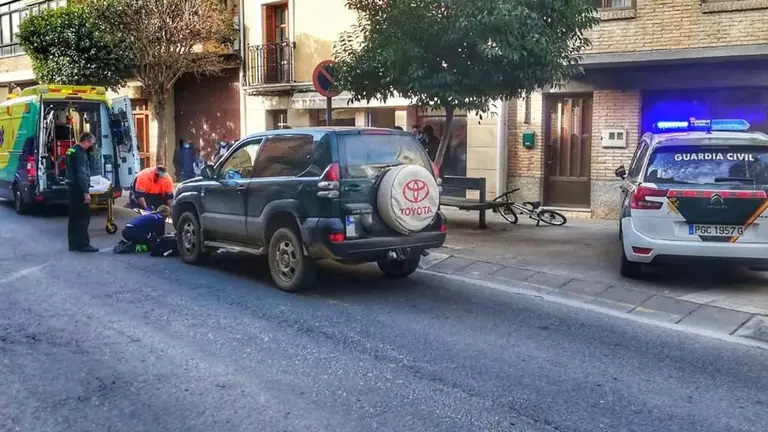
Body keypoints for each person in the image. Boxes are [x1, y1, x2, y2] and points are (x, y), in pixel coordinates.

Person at [65, 132, 98, 252]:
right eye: (91, 143)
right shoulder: (80, 153)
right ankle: (83, 244)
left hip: (71, 186)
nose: (91, 146)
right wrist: (85, 192)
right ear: (86, 141)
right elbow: (81, 173)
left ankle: (73, 244)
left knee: (74, 217)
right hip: (79, 188)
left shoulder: (71, 150)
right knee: (83, 217)